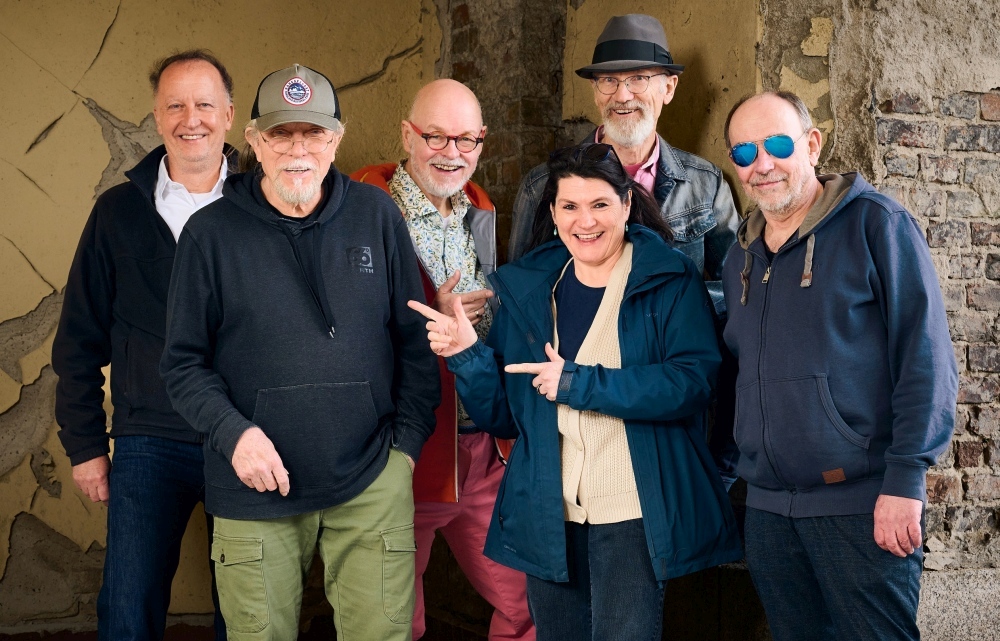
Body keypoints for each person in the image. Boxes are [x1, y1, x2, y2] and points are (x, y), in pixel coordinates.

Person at [410, 143, 742, 640]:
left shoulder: (668, 279)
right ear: (552, 212)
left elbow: (691, 383)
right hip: (550, 511)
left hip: (632, 510)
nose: (584, 221)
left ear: (626, 205)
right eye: (569, 206)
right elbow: (504, 417)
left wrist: (577, 383)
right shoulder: (528, 290)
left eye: (600, 204)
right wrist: (466, 355)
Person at [160, 64, 439, 641]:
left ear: (336, 139)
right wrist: (234, 435)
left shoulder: (376, 216)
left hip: (371, 479)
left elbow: (414, 342)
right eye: (281, 134)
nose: (298, 150)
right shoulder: (209, 235)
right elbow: (183, 365)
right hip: (254, 488)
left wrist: (405, 452)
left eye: (313, 133)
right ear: (254, 141)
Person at [719, 90, 958, 641]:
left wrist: (906, 481)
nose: (762, 164)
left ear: (812, 145)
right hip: (770, 512)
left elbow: (926, 361)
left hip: (862, 503)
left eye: (778, 145)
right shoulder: (740, 258)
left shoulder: (877, 225)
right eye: (745, 153)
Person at [51, 49, 234, 641]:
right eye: (175, 105)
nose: (191, 119)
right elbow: (78, 338)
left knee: (249, 614)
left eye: (204, 104)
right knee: (128, 611)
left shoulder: (262, 204)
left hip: (246, 436)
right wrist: (84, 445)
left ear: (229, 115)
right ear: (156, 117)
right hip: (148, 439)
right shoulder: (118, 212)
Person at [351, 79, 534, 641]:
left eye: (466, 140)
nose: (452, 153)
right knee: (392, 621)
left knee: (530, 606)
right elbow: (340, 331)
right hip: (406, 450)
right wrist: (432, 313)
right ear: (407, 134)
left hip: (483, 449)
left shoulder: (480, 208)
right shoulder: (363, 209)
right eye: (436, 137)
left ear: (482, 141)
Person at [508, 13, 739, 322]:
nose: (622, 95)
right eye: (609, 81)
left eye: (638, 78)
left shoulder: (706, 184)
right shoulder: (541, 185)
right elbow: (519, 296)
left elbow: (738, 285)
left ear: (669, 88)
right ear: (595, 91)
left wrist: (670, 306)